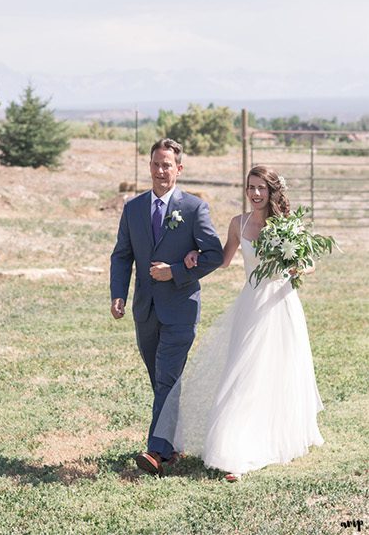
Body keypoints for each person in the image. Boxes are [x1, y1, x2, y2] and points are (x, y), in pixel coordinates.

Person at [154, 165, 324, 481]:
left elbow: (309, 263)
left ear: (272, 191)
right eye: (250, 187)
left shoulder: (287, 225)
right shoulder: (238, 223)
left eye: (261, 187)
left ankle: (267, 438)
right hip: (251, 303)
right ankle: (235, 446)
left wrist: (291, 271)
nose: (255, 193)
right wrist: (192, 253)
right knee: (243, 370)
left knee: (276, 369)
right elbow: (222, 259)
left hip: (280, 303)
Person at [110, 137, 223, 475]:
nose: (161, 170)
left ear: (179, 169)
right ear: (150, 166)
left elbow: (214, 255)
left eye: (168, 165)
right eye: (156, 164)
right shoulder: (132, 208)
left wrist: (174, 271)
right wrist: (119, 293)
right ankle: (174, 441)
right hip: (144, 310)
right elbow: (122, 255)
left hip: (180, 309)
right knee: (159, 378)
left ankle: (157, 453)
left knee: (167, 378)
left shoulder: (193, 208)